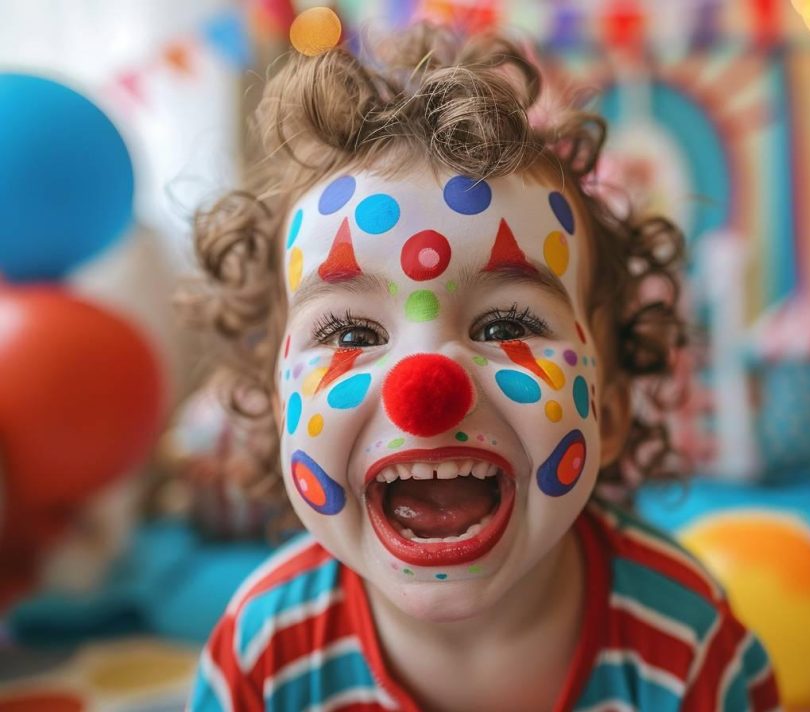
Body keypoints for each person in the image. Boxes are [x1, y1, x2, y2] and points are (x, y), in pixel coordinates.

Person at [182, 19, 779, 712]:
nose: (426, 388)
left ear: (610, 411)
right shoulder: (264, 657)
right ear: (275, 403)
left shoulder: (684, 646)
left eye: (507, 324)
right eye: (349, 330)